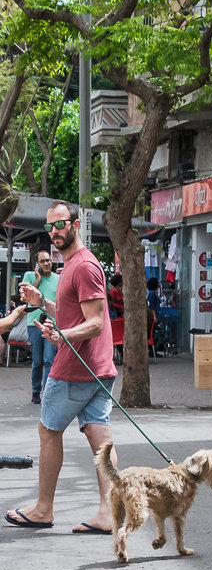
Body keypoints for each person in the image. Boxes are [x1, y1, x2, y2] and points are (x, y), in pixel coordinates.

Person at [4, 200, 119, 534]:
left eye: (61, 224)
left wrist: (61, 334)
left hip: (76, 367)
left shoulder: (83, 266)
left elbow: (95, 322)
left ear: (76, 224)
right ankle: (109, 512)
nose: (54, 231)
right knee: (100, 434)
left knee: (48, 430)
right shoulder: (71, 265)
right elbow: (76, 313)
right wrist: (44, 304)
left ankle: (43, 508)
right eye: (49, 226)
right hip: (98, 367)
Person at [26, 250, 60, 403]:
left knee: (49, 360)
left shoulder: (58, 279)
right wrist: (38, 280)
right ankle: (35, 390)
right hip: (34, 323)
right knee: (37, 361)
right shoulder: (29, 276)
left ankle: (47, 392)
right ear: (37, 264)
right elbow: (28, 297)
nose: (46, 263)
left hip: (52, 323)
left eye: (48, 260)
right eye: (42, 261)